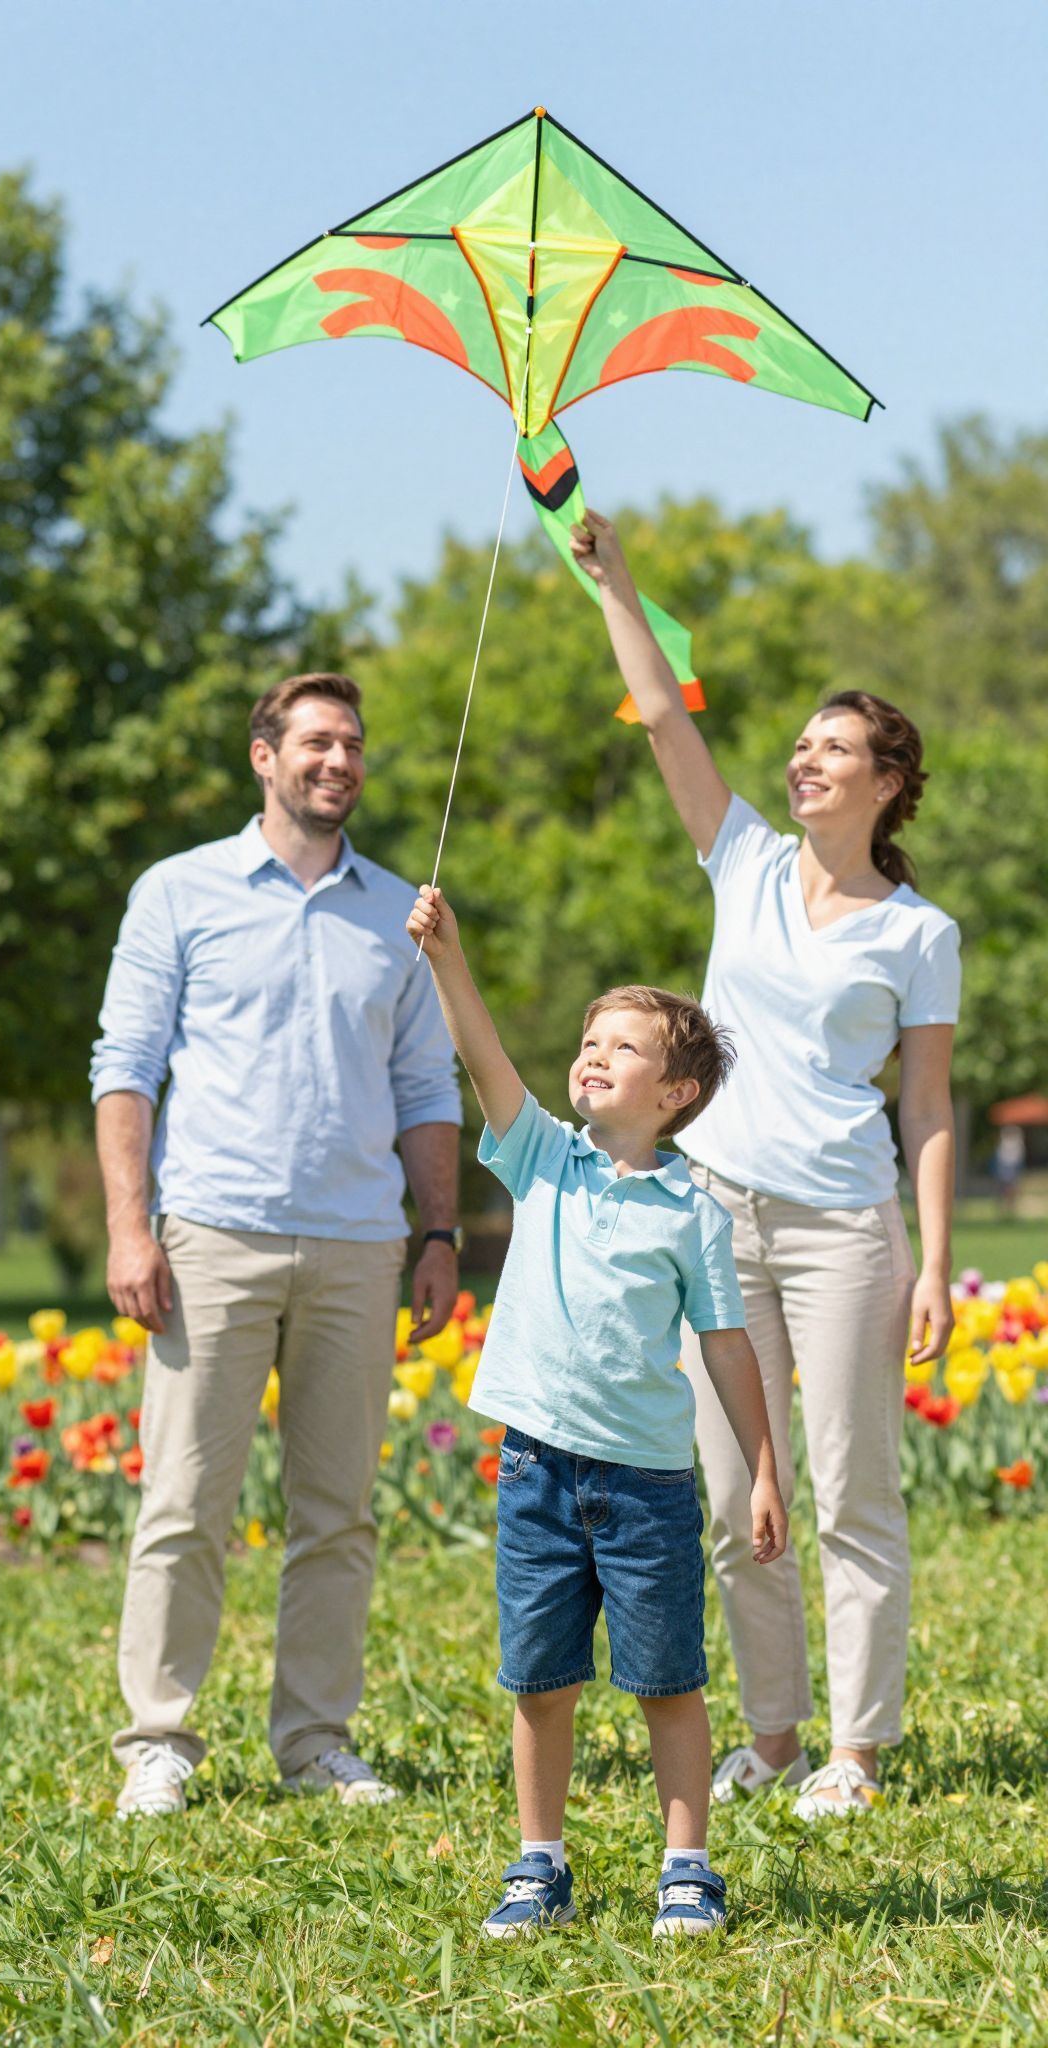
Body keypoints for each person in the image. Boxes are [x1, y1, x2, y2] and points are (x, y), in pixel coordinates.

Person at [569, 510, 960, 1819]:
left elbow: (928, 1103)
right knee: (738, 1495)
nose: (803, 759)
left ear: (888, 781)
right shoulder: (739, 857)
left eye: (831, 748)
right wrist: (616, 581)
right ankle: (776, 1735)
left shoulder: (921, 934)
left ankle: (858, 1749)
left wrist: (934, 1265)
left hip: (845, 1225)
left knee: (850, 1491)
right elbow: (662, 718)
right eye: (799, 745)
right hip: (716, 1218)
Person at [91, 671, 463, 1817]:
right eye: (316, 741)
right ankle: (158, 1739)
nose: (338, 760)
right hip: (211, 1234)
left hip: (360, 1245)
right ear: (264, 756)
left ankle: (315, 1740)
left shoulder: (399, 913)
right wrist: (128, 1225)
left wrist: (439, 1230)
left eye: (353, 742)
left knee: (337, 1512)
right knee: (185, 1499)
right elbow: (125, 1066)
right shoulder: (177, 891)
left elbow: (427, 1087)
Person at [407, 882, 787, 1938]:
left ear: (676, 1092)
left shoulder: (693, 1211)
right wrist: (447, 957)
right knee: (540, 1681)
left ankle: (687, 1868)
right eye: (588, 1041)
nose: (593, 1056)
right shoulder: (543, 1157)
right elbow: (484, 1056)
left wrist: (764, 1467)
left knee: (668, 1681)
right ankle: (540, 1865)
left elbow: (725, 1343)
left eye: (623, 1047)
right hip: (536, 1470)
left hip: (647, 1485)